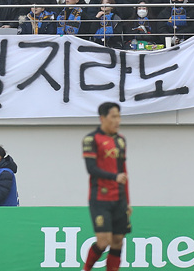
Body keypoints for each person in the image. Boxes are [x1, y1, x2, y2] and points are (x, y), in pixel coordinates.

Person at [81, 102, 129, 271]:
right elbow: (91, 169)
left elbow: (124, 172)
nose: (117, 120)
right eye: (113, 116)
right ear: (103, 118)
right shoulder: (91, 139)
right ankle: (86, 269)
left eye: (119, 116)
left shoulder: (121, 140)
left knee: (118, 241)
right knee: (103, 241)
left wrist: (128, 201)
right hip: (100, 198)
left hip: (119, 198)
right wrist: (114, 177)